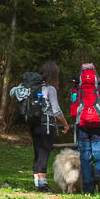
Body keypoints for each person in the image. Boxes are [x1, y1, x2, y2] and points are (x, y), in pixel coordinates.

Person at [9, 61, 64, 190]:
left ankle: (36, 182)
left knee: (37, 152)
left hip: (34, 124)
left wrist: (21, 88)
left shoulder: (32, 88)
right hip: (47, 125)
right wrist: (65, 124)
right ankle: (43, 184)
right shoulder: (50, 89)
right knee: (44, 153)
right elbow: (56, 111)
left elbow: (12, 92)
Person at [67, 62, 100, 194]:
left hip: (82, 125)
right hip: (99, 124)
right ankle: (99, 173)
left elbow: (73, 105)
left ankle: (88, 190)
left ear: (81, 72)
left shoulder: (77, 87)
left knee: (85, 157)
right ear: (95, 71)